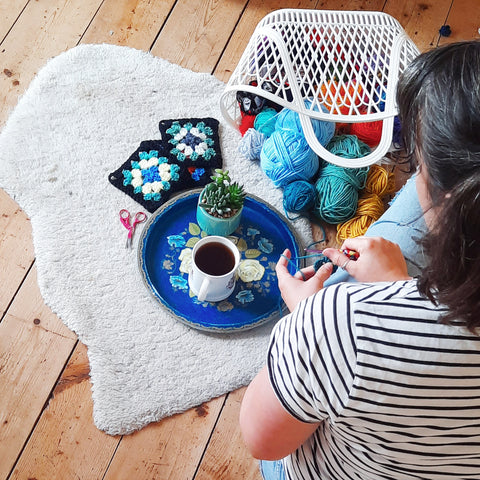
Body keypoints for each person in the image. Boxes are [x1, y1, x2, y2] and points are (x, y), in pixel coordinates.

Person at [240, 40, 480, 480]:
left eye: (419, 166)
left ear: (455, 208)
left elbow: (262, 440)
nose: (414, 175)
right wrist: (395, 285)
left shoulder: (340, 323)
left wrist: (310, 320)